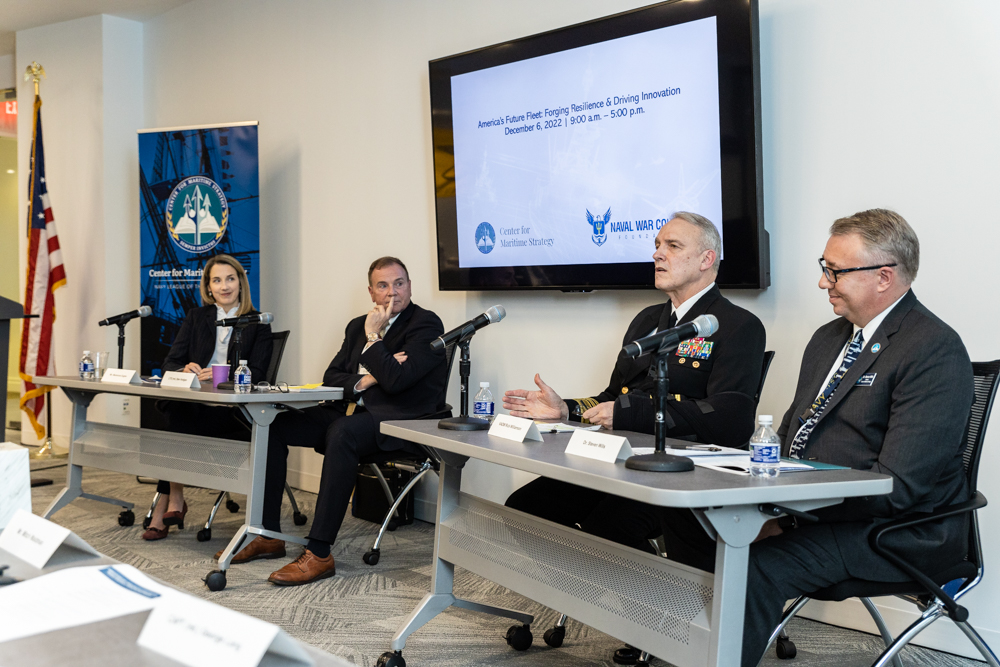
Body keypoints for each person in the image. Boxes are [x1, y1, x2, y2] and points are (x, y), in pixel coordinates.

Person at [665, 209, 973, 666]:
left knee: (757, 566)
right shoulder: (829, 338)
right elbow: (791, 435)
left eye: (835, 271)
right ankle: (684, 647)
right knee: (689, 524)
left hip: (894, 532)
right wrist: (748, 492)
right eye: (824, 268)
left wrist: (789, 518)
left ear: (884, 277)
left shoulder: (933, 349)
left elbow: (899, 487)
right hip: (817, 511)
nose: (823, 281)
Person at [501, 212, 766, 556]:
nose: (657, 254)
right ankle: (582, 584)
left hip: (683, 471)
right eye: (657, 245)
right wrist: (566, 409)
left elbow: (730, 419)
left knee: (608, 530)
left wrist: (632, 414)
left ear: (706, 259)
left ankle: (647, 588)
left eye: (673, 246)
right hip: (621, 459)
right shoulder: (646, 320)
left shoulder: (737, 325)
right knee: (525, 508)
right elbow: (613, 397)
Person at [215, 256, 449, 586]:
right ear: (371, 292)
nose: (392, 292)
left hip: (401, 419)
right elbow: (332, 376)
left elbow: (398, 382)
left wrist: (374, 338)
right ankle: (267, 534)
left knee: (342, 433)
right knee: (273, 425)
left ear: (409, 286)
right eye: (383, 285)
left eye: (399, 283)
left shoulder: (426, 324)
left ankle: (319, 553)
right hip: (353, 411)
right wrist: (370, 378)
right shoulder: (356, 326)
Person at [142, 253, 273, 541]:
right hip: (195, 405)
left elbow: (260, 373)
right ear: (208, 287)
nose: (224, 286)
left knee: (176, 423)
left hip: (233, 412)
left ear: (241, 282)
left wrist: (221, 375)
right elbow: (170, 362)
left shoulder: (258, 322)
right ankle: (175, 496)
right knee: (177, 412)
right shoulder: (196, 317)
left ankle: (168, 500)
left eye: (230, 279)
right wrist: (184, 368)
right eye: (217, 280)